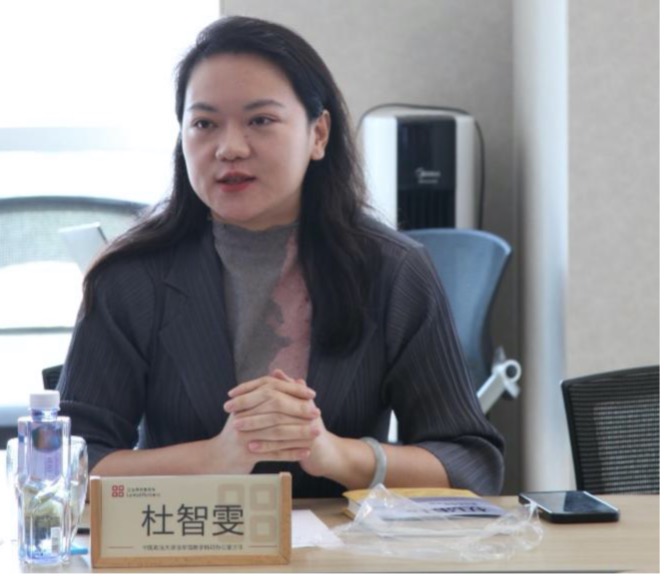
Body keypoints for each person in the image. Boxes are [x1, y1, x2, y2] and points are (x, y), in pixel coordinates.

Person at [58, 15, 504, 498]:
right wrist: (214, 459)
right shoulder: (129, 277)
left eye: (261, 120)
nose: (229, 148)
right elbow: (67, 468)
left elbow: (471, 465)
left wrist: (335, 453)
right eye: (204, 123)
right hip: (187, 539)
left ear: (319, 134)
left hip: (342, 545)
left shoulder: (393, 269)